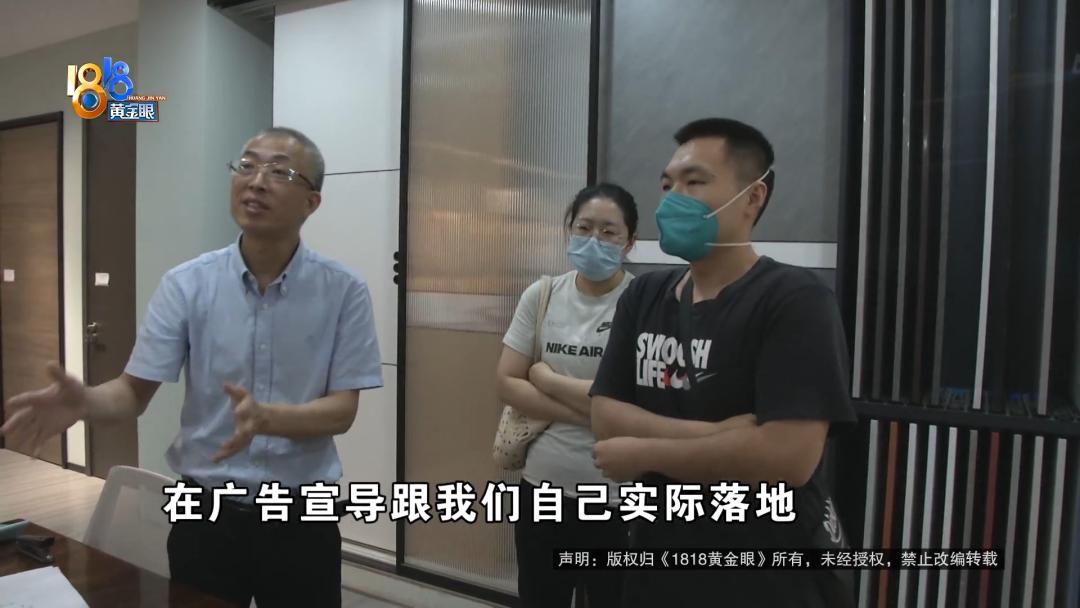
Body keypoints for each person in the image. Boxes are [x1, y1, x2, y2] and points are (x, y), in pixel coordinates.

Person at [1, 127, 382, 608]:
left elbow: (342, 410)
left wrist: (269, 419)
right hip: (204, 509)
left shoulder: (344, 290)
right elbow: (132, 393)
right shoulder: (187, 284)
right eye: (247, 165)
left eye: (279, 172)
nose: (256, 181)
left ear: (312, 203)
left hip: (303, 512)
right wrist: (87, 402)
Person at [589, 118, 856, 607]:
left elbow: (788, 458)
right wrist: (720, 435)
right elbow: (605, 415)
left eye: (694, 182)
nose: (672, 199)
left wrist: (643, 452)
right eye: (667, 185)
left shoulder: (794, 299)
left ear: (752, 198)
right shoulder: (644, 295)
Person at [496, 183, 640, 608]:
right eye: (584, 227)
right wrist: (595, 414)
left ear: (630, 242)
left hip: (617, 497)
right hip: (543, 488)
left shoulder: (642, 304)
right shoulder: (542, 295)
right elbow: (507, 382)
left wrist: (547, 379)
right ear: (568, 230)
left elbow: (638, 404)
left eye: (609, 232)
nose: (594, 240)